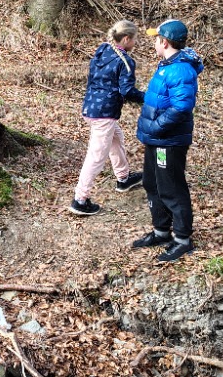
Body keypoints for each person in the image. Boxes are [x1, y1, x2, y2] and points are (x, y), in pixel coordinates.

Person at [133, 19, 203, 262]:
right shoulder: (167, 65)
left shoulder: (180, 70)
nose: (154, 43)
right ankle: (161, 231)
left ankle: (182, 239)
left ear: (164, 42)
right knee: (152, 183)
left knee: (171, 188)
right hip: (156, 139)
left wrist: (156, 126)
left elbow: (181, 107)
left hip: (169, 141)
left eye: (156, 39)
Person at [70, 20, 145, 216]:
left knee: (116, 138)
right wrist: (148, 98)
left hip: (90, 107)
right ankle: (80, 199)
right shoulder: (125, 61)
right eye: (135, 39)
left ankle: (123, 178)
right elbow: (127, 91)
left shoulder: (103, 50)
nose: (136, 42)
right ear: (126, 39)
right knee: (96, 156)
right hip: (104, 114)